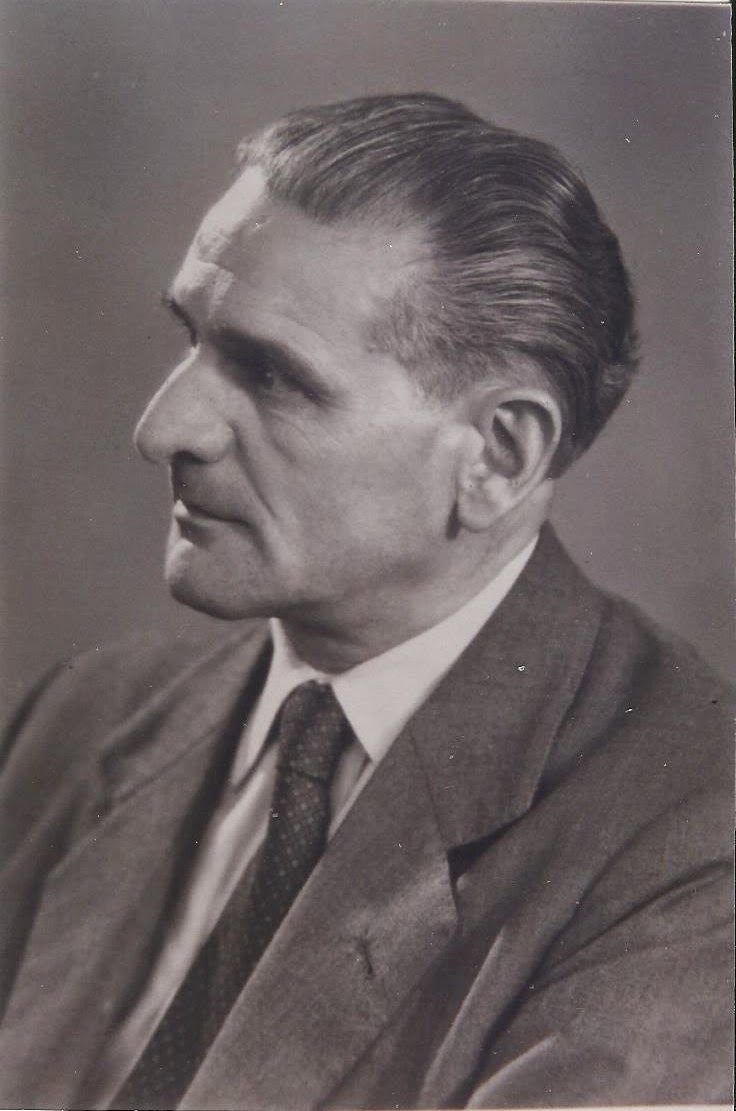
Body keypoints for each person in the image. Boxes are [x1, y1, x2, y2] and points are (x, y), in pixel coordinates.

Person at [0, 93, 731, 1111]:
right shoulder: (76, 725)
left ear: (498, 455)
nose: (163, 429)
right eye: (192, 339)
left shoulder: (693, 848)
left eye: (272, 375)